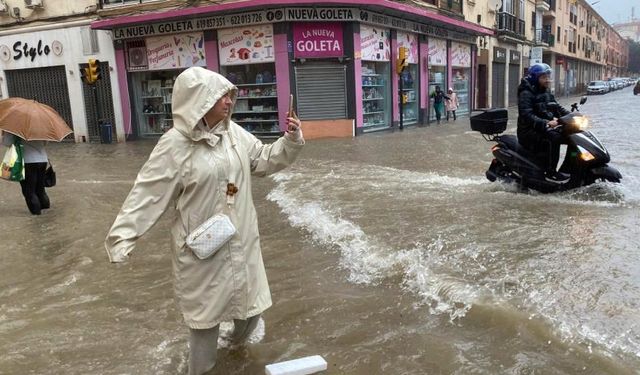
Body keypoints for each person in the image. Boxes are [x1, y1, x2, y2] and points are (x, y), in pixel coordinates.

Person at [104, 66, 304, 375]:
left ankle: (234, 354)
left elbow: (262, 159)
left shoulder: (233, 134)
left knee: (251, 309)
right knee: (205, 322)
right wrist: (123, 237)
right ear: (200, 101)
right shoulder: (174, 145)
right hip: (202, 250)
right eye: (221, 95)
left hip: (241, 240)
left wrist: (289, 140)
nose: (228, 101)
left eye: (228, 95)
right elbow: (147, 193)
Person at [517, 63, 571, 183]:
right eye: (544, 77)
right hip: (529, 131)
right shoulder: (526, 93)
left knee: (570, 136)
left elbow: (557, 108)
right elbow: (527, 115)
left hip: (543, 128)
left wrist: (571, 116)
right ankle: (550, 173)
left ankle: (570, 169)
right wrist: (547, 123)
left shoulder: (546, 92)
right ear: (535, 78)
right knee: (554, 138)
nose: (547, 80)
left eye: (548, 77)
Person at [2, 131, 50, 215]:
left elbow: (7, 143)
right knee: (40, 188)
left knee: (29, 191)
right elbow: (45, 143)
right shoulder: (40, 126)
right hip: (42, 160)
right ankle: (46, 212)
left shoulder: (14, 128)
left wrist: (5, 133)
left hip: (27, 161)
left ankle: (37, 216)